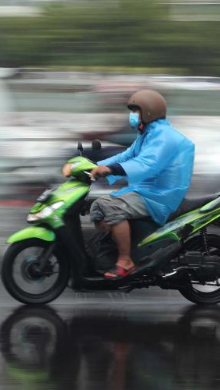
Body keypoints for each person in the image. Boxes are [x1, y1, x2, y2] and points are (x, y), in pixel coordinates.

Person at [89, 89, 195, 279]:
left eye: (135, 111)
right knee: (97, 206)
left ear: (148, 112)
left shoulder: (165, 136)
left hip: (161, 195)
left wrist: (112, 169)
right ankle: (115, 248)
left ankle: (125, 261)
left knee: (112, 207)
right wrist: (93, 167)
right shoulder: (147, 135)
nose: (132, 116)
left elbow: (147, 164)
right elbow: (127, 156)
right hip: (146, 191)